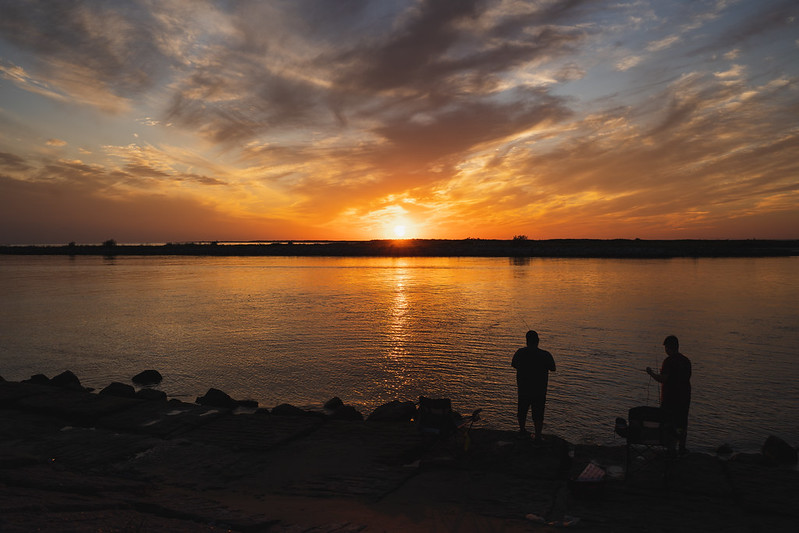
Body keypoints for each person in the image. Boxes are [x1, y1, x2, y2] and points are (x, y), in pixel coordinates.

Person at [646, 335, 692, 453]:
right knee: (682, 424)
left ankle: (670, 449)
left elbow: (663, 379)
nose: (665, 350)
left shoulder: (669, 361)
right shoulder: (686, 361)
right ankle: (682, 448)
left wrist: (651, 373)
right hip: (685, 398)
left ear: (668, 347)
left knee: (669, 424)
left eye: (666, 347)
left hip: (670, 399)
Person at [512, 330, 556, 442]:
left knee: (522, 411)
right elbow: (553, 368)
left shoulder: (520, 352)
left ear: (527, 341)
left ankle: (522, 431)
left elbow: (514, 365)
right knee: (538, 414)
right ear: (537, 341)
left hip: (523, 389)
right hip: (539, 390)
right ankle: (537, 436)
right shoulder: (545, 354)